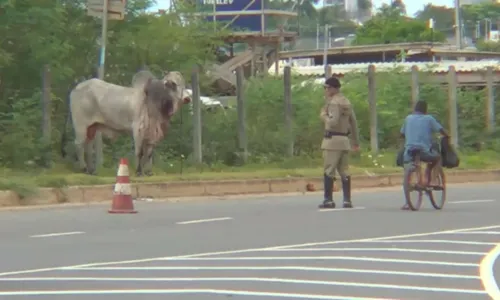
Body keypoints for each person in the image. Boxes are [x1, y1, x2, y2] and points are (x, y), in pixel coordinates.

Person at [400, 100, 449, 210]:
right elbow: (441, 130)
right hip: (424, 151)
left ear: (415, 109)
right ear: (425, 110)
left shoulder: (408, 118)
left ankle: (408, 202)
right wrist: (447, 136)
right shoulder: (429, 119)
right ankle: (431, 179)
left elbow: (401, 134)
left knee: (407, 170)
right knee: (437, 158)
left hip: (409, 151)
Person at [319, 76, 360, 209]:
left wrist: (323, 115)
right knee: (344, 170)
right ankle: (347, 200)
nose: (325, 90)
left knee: (329, 170)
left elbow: (332, 122)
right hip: (344, 140)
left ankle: (328, 199)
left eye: (326, 88)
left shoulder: (333, 103)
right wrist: (355, 141)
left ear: (332, 89)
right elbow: (353, 123)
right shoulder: (346, 102)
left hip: (332, 141)